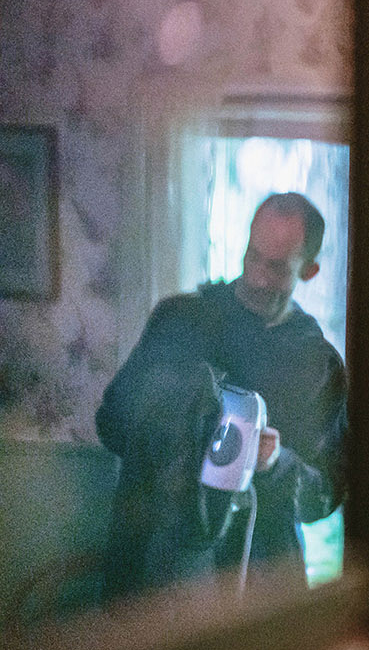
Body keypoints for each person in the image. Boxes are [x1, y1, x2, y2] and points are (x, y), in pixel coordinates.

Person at [97, 192, 347, 601]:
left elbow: (324, 497)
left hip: (258, 586)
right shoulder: (179, 321)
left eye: (278, 267)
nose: (258, 277)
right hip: (150, 572)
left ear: (311, 270)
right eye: (253, 257)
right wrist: (174, 428)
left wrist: (274, 463)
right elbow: (110, 423)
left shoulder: (318, 365)